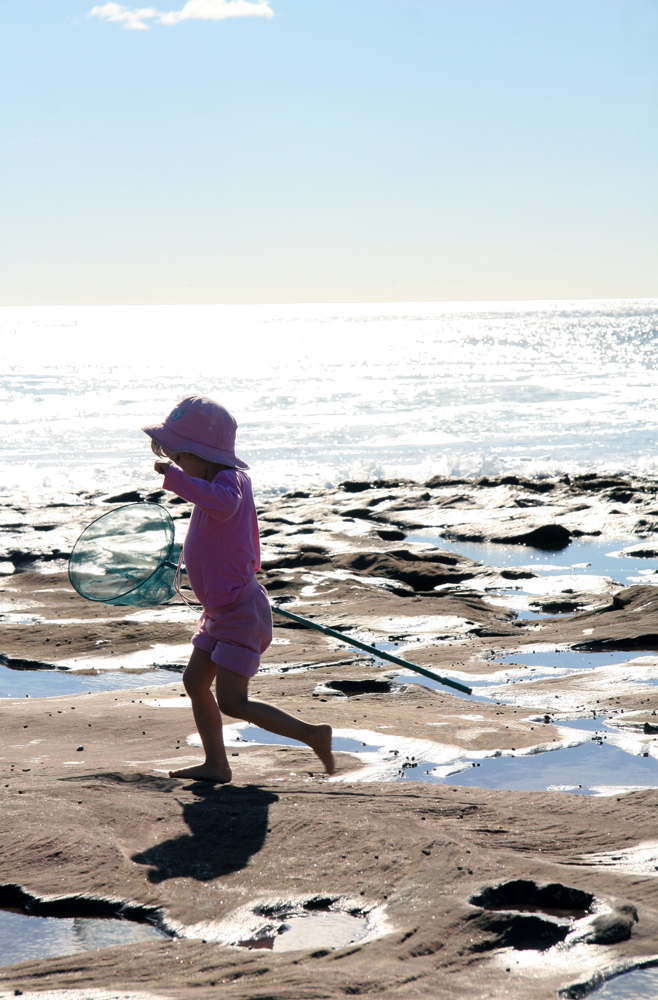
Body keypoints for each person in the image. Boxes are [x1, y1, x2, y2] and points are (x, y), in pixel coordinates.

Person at [142, 396, 334, 782]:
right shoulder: (212, 480)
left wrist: (176, 480)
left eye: (182, 456)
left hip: (240, 612)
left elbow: (224, 505)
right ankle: (216, 764)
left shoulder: (229, 482)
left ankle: (312, 734)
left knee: (232, 701)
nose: (178, 464)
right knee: (194, 682)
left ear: (205, 454)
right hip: (218, 611)